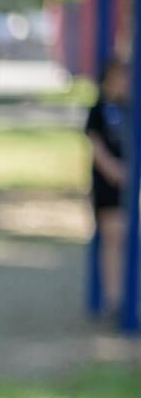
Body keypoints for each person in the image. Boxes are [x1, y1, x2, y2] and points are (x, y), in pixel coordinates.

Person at [87, 60, 130, 315]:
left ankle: (124, 295)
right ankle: (113, 298)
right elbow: (95, 145)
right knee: (112, 236)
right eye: (118, 79)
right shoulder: (99, 110)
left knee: (123, 238)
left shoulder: (130, 109)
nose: (123, 84)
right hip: (108, 186)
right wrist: (113, 169)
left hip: (126, 185)